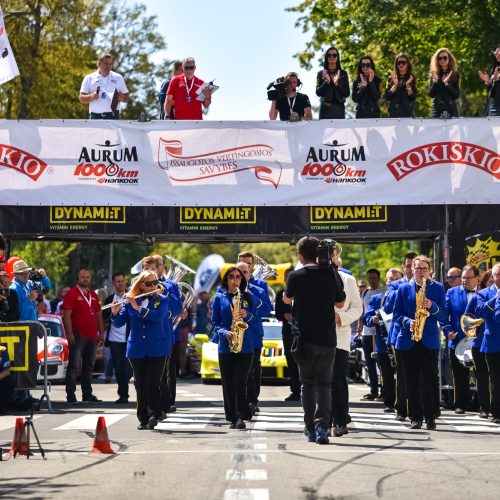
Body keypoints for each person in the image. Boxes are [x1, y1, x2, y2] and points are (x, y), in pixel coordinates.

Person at [283, 236, 346, 445]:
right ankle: (322, 427)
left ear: (300, 256)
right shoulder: (331, 274)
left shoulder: (295, 276)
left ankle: (310, 428)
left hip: (303, 339)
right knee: (325, 385)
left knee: (307, 385)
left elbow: (286, 299)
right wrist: (332, 271)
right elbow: (340, 302)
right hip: (327, 338)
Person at [393, 255, 447, 430]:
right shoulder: (402, 289)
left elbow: (444, 315)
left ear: (430, 270)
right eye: (418, 269)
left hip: (429, 339)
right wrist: (409, 323)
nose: (421, 272)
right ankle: (415, 417)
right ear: (411, 270)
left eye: (424, 269)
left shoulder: (437, 288)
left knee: (430, 380)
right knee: (411, 381)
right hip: (408, 340)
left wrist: (432, 306)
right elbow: (396, 315)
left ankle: (430, 416)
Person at [111, 270, 169, 430]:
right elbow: (119, 323)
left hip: (157, 347)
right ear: (141, 286)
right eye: (149, 283)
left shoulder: (162, 300)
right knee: (140, 383)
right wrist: (115, 314)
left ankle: (153, 414)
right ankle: (143, 418)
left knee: (152, 382)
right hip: (136, 347)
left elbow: (158, 317)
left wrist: (137, 308)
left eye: (155, 282)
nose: (153, 286)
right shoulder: (129, 301)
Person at [211, 267, 257, 430]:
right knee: (228, 382)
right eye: (231, 277)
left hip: (246, 346)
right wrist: (224, 333)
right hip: (226, 345)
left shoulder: (248, 296)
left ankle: (239, 415)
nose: (235, 280)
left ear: (241, 280)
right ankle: (232, 415)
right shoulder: (218, 298)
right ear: (226, 279)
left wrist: (248, 315)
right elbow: (215, 323)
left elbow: (258, 316)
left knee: (240, 381)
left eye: (238, 277)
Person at [331, 251, 362, 437]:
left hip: (339, 338)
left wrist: (340, 318)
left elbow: (358, 308)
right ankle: (322, 421)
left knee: (338, 380)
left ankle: (340, 420)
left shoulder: (348, 280)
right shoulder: (311, 278)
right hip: (316, 337)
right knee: (319, 382)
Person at [237, 251, 273, 411]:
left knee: (253, 368)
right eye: (243, 265)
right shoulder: (227, 286)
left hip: (254, 333)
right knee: (237, 370)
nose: (245, 270)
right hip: (235, 335)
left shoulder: (260, 286)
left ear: (252, 268)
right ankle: (239, 400)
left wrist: (251, 294)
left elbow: (266, 309)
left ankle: (252, 400)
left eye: (249, 266)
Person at [442, 265, 479, 414]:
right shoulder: (451, 293)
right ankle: (461, 404)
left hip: (478, 341)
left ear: (477, 278)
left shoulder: (483, 293)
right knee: (459, 375)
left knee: (481, 375)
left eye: (469, 278)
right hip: (457, 341)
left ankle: (482, 404)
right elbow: (443, 316)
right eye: (463, 277)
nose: (465, 281)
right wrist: (448, 331)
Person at [64, 268, 104, 404]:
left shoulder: (93, 294)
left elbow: (98, 315)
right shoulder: (72, 293)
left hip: (92, 337)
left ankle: (87, 394)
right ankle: (70, 396)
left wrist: (101, 333)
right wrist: (69, 334)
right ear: (78, 278)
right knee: (74, 367)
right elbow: (67, 315)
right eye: (83, 277)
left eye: (87, 277)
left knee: (89, 367)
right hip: (78, 336)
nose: (85, 279)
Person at [385, 252, 417, 421]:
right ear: (404, 267)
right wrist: (404, 289)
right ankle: (402, 409)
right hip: (401, 335)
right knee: (403, 375)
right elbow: (388, 307)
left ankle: (419, 408)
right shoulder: (395, 285)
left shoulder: (427, 284)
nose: (412, 269)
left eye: (415, 265)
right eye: (409, 265)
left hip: (422, 335)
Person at [471, 263, 500, 424]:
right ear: (492, 277)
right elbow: (479, 311)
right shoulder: (483, 294)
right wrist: (496, 299)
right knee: (496, 379)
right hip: (493, 342)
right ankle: (496, 412)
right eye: (498, 275)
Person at [465, 269, 494, 418]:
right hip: (479, 343)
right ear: (484, 282)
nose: (495, 282)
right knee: (482, 377)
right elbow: (467, 318)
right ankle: (484, 407)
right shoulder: (479, 296)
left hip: (495, 343)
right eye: (491, 280)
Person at [103, 273, 131, 404]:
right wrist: (113, 312)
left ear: (125, 283)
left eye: (122, 281)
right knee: (118, 369)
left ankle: (127, 390)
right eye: (117, 281)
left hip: (129, 338)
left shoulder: (132, 298)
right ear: (114, 284)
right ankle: (123, 395)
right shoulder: (109, 300)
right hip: (114, 339)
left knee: (128, 369)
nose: (120, 283)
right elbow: (104, 318)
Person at [359, 268, 385, 401]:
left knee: (381, 363)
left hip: (378, 333)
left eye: (374, 278)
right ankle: (373, 390)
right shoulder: (366, 292)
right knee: (370, 364)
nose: (371, 280)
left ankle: (384, 390)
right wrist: (359, 330)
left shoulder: (383, 292)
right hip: (366, 333)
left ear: (378, 278)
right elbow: (362, 312)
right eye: (369, 278)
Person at [275, 268, 301, 401]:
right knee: (291, 361)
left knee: (303, 362)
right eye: (287, 277)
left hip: (303, 332)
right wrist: (285, 316)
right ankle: (295, 391)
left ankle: (306, 390)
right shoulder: (280, 294)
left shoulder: (303, 292)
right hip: (288, 333)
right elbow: (277, 313)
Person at [79, 53, 129, 119]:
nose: (108, 66)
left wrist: (122, 97)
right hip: (95, 116)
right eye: (105, 64)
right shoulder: (89, 78)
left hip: (113, 116)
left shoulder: (118, 77)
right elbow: (81, 98)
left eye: (110, 64)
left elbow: (126, 97)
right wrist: (92, 96)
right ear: (99, 64)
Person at [316, 46, 350, 119]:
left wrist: (337, 84)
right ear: (326, 57)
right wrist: (326, 82)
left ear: (337, 57)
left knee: (340, 130)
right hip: (325, 107)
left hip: (339, 107)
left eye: (334, 55)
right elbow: (318, 92)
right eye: (329, 55)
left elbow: (347, 93)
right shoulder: (320, 73)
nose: (332, 57)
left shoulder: (343, 73)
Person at [428, 48, 460, 118]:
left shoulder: (455, 74)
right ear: (437, 60)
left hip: (451, 108)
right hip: (437, 109)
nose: (442, 60)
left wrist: (446, 84)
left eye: (445, 58)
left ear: (449, 59)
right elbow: (431, 94)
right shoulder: (434, 74)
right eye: (440, 58)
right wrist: (436, 82)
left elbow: (456, 95)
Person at [385, 52, 417, 118]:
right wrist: (395, 86)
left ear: (407, 64)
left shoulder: (411, 77)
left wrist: (408, 87)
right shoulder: (391, 78)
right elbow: (387, 97)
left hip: (407, 112)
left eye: (403, 62)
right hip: (393, 112)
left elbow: (413, 98)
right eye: (399, 62)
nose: (401, 64)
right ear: (396, 64)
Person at [478, 44, 500, 117]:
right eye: (496, 52)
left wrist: (497, 81)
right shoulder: (494, 68)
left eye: (499, 52)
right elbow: (492, 94)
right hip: (493, 106)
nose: (497, 54)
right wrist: (488, 82)